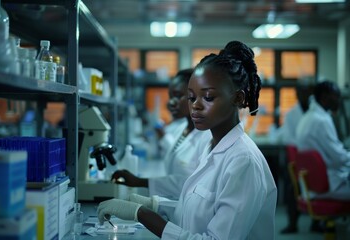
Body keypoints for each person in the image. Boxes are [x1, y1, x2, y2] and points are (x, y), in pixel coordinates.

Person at [97, 40, 277, 239]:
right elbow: (197, 211)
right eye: (191, 98)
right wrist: (154, 205)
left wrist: (142, 214)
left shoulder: (243, 161)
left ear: (238, 98)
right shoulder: (212, 147)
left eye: (208, 97)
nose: (196, 106)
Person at [112, 68, 212, 200]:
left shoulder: (208, 137)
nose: (171, 102)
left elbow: (192, 184)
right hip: (175, 207)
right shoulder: (181, 128)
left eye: (178, 95)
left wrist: (141, 182)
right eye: (170, 96)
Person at [296, 80, 350, 200]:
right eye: (336, 96)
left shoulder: (307, 117)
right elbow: (339, 158)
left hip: (311, 186)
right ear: (325, 97)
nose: (339, 100)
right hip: (327, 185)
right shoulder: (322, 120)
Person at [278, 81, 315, 234]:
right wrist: (304, 145)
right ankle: (293, 223)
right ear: (297, 94)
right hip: (296, 158)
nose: (305, 95)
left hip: (313, 158)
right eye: (302, 92)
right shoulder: (292, 114)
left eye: (307, 92)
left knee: (316, 188)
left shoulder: (316, 112)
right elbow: (288, 138)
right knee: (292, 188)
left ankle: (317, 222)